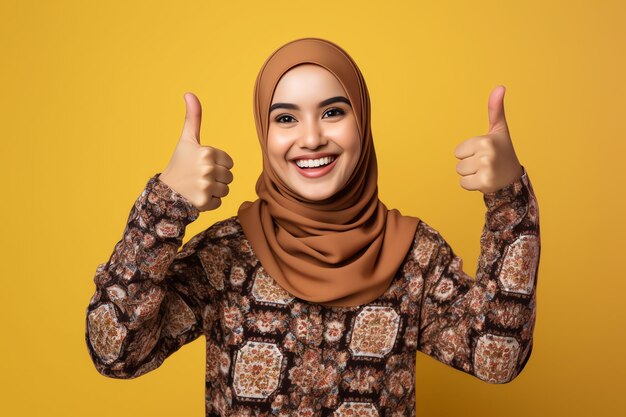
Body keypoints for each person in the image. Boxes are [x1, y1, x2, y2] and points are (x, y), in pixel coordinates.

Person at [85, 37, 540, 416]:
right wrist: (165, 204)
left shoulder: (414, 256)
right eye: (285, 118)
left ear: (363, 121)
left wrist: (509, 201)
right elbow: (116, 352)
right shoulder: (226, 255)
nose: (311, 137)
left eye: (333, 112)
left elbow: (495, 358)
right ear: (265, 134)